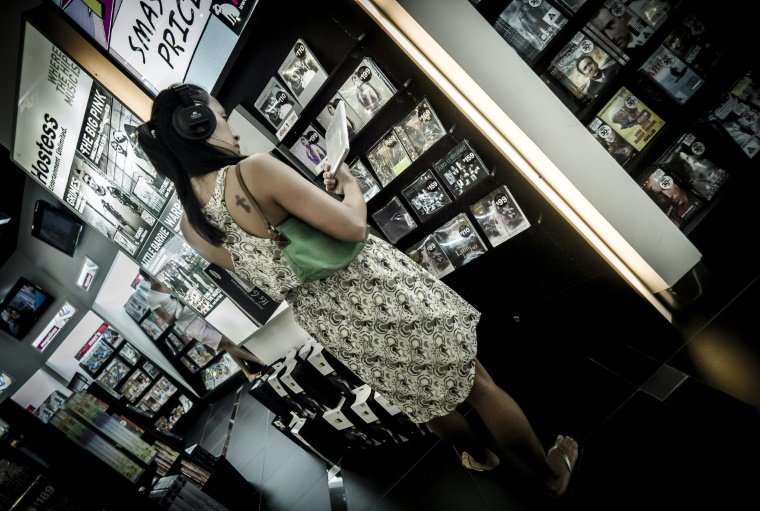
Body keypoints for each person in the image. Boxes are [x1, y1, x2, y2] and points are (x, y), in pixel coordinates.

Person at [137, 83, 579, 497]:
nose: (231, 128)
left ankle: (478, 455)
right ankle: (550, 474)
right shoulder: (253, 170)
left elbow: (270, 265)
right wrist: (347, 184)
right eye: (220, 116)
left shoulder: (191, 226)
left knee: (419, 395)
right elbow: (350, 227)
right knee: (478, 385)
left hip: (333, 323)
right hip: (375, 291)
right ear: (198, 126)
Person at [138, 269, 265, 382]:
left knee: (227, 344)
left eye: (153, 273)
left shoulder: (166, 280)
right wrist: (180, 308)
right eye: (151, 276)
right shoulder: (151, 298)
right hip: (190, 325)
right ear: (147, 279)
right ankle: (260, 361)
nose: (155, 276)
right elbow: (168, 320)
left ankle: (247, 373)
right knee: (225, 342)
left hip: (200, 313)